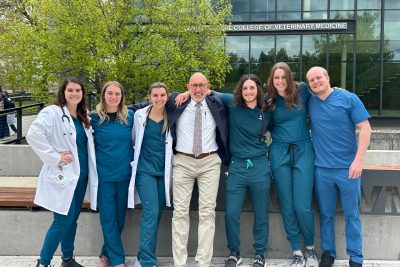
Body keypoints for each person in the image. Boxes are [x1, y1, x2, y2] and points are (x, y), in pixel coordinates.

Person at [26, 77, 98, 267]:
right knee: (62, 220)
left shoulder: (84, 117)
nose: (74, 94)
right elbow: (33, 134)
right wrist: (55, 156)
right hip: (63, 176)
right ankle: (43, 262)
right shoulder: (52, 112)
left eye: (78, 91)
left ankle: (67, 259)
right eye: (70, 90)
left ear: (82, 94)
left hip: (80, 177)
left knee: (72, 219)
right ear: (63, 92)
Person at [306, 67, 371, 267]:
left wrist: (358, 160)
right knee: (325, 214)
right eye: (311, 80)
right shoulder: (311, 102)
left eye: (319, 78)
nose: (316, 82)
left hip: (348, 169)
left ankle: (356, 258)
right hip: (321, 169)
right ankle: (328, 253)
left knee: (352, 214)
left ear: (328, 78)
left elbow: (366, 128)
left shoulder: (349, 98)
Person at [169, 72, 229, 267]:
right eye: (193, 85)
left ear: (208, 86)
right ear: (187, 86)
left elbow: (237, 98)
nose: (197, 89)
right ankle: (180, 263)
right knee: (179, 212)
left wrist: (205, 91)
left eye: (201, 85)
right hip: (182, 162)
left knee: (207, 212)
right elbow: (151, 103)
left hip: (209, 163)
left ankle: (203, 262)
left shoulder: (217, 103)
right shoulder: (175, 102)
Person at [266, 62, 318, 267]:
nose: (280, 81)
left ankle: (311, 249)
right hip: (279, 151)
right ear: (272, 79)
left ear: (289, 78)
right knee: (286, 205)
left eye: (283, 77)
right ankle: (296, 251)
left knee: (302, 206)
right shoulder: (269, 100)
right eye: (276, 78)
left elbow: (323, 97)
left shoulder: (303, 90)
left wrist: (337, 90)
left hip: (303, 150)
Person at [217, 74, 271, 267]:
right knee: (231, 212)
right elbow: (205, 91)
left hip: (259, 165)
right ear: (240, 90)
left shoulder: (267, 110)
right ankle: (234, 252)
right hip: (238, 166)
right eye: (245, 88)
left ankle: (260, 254)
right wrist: (183, 94)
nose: (248, 91)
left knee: (261, 213)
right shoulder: (231, 104)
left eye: (252, 88)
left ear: (258, 90)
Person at [127, 82, 173, 267]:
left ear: (167, 97)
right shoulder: (140, 115)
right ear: (149, 97)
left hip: (163, 173)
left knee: (156, 213)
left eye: (162, 95)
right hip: (144, 171)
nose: (159, 99)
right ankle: (146, 261)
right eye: (155, 95)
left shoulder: (171, 116)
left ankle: (142, 255)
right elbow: (132, 138)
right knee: (151, 211)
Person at [91, 81, 134, 267]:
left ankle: (105, 254)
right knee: (107, 218)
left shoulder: (129, 116)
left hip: (124, 174)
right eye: (110, 93)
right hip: (103, 176)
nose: (114, 97)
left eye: (117, 94)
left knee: (119, 218)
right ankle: (117, 260)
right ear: (103, 95)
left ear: (122, 96)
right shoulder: (93, 118)